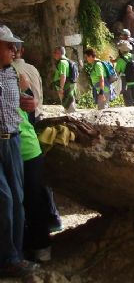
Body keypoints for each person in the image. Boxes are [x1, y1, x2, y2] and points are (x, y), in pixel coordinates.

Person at [0, 25, 38, 277]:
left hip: (12, 141)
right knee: (4, 199)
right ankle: (9, 258)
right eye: (8, 45)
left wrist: (31, 102)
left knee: (16, 198)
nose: (14, 50)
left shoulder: (13, 74)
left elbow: (28, 104)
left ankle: (15, 255)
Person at [18, 109, 51, 263]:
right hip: (14, 147)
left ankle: (41, 247)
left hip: (27, 147)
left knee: (33, 199)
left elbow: (30, 105)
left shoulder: (18, 84)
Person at [12, 44, 43, 123]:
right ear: (22, 50)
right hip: (37, 115)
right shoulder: (33, 68)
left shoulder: (9, 70)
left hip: (23, 120)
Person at [115, 41, 134, 107]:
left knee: (129, 103)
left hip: (126, 84)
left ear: (120, 50)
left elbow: (116, 73)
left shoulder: (120, 60)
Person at [53, 46, 77, 113]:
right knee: (69, 103)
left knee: (69, 104)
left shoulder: (62, 62)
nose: (54, 54)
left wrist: (61, 88)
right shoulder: (66, 61)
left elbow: (63, 76)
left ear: (60, 53)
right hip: (69, 86)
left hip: (66, 87)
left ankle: (72, 120)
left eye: (55, 52)